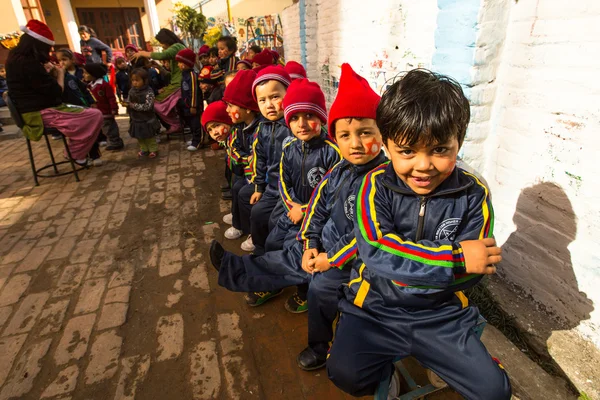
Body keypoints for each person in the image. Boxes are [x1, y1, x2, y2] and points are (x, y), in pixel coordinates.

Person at [326, 69, 512, 400]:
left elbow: (471, 275)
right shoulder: (373, 186)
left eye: (440, 150)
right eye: (408, 151)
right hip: (375, 308)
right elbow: (377, 251)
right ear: (386, 145)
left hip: (440, 314)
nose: (424, 165)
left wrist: (406, 268)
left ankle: (460, 363)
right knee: (345, 376)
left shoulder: (473, 192)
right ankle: (382, 372)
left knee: (494, 391)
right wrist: (454, 257)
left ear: (460, 142)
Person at [208, 64, 387, 370]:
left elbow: (370, 232)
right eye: (344, 135)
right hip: (325, 245)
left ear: (383, 135)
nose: (355, 143)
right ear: (336, 136)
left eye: (365, 133)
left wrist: (329, 258)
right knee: (287, 253)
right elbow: (317, 207)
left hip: (354, 260)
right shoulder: (341, 169)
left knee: (319, 287)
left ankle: (320, 347)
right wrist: (311, 241)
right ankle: (237, 268)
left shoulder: (382, 180)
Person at [6, 20, 103, 165]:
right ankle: (75, 154)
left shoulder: (16, 60)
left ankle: (76, 152)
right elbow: (57, 92)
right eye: (47, 49)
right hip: (38, 113)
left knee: (86, 113)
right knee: (94, 115)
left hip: (34, 110)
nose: (49, 53)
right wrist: (59, 73)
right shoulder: (28, 64)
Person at [246, 66, 292, 255]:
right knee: (257, 213)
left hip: (290, 191)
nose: (269, 105)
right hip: (272, 187)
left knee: (277, 222)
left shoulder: (294, 127)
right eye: (262, 100)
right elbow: (260, 159)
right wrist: (258, 187)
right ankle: (260, 248)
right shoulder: (262, 128)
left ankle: (277, 255)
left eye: (275, 97)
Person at [221, 70, 262, 234]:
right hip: (247, 172)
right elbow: (235, 149)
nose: (227, 110)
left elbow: (257, 159)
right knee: (237, 186)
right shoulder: (240, 126)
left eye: (230, 106)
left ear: (248, 108)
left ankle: (251, 231)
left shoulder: (259, 129)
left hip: (257, 178)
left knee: (244, 191)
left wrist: (241, 159)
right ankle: (239, 221)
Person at [131, 29, 186, 135]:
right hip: (176, 84)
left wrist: (143, 53)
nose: (162, 46)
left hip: (177, 85)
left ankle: (176, 124)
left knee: (154, 102)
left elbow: (162, 55)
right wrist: (159, 68)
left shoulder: (176, 47)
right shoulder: (178, 48)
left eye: (161, 43)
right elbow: (172, 75)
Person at [83, 63, 124, 151]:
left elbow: (111, 98)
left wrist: (114, 108)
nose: (84, 75)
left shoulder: (104, 85)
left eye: (86, 73)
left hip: (106, 112)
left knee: (109, 128)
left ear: (94, 74)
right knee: (103, 129)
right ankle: (111, 141)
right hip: (97, 112)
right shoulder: (90, 85)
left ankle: (116, 142)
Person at [122, 68, 161, 158]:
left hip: (147, 119)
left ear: (145, 80)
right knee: (140, 136)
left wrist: (133, 105)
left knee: (149, 136)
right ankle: (144, 149)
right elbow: (129, 100)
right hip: (136, 118)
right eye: (133, 80)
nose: (135, 82)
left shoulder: (149, 91)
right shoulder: (131, 90)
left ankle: (153, 149)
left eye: (137, 80)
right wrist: (126, 103)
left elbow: (148, 106)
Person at [175, 48, 204, 151]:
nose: (178, 65)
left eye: (179, 62)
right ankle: (194, 139)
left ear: (185, 63)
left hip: (193, 106)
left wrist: (193, 105)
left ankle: (198, 142)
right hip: (187, 105)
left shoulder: (192, 75)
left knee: (196, 124)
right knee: (191, 124)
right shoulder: (185, 75)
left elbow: (194, 91)